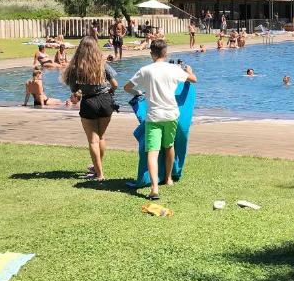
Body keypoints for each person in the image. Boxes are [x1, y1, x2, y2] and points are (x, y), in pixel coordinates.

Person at [123, 39, 197, 200]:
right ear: (166, 53)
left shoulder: (145, 70)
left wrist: (139, 93)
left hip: (154, 116)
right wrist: (189, 70)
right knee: (169, 146)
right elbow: (193, 80)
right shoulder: (173, 69)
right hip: (171, 115)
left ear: (151, 53)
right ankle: (169, 178)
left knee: (152, 151)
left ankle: (154, 188)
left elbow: (126, 87)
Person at [65, 36, 120, 181]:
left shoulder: (75, 67)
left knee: (93, 140)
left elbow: (75, 90)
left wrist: (78, 94)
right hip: (105, 101)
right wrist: (109, 92)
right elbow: (115, 84)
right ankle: (97, 168)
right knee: (101, 137)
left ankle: (99, 174)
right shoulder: (102, 64)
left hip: (89, 102)